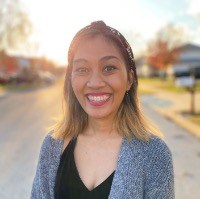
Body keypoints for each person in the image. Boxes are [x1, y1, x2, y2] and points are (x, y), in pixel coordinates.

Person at [31, 21, 174, 199]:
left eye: (109, 68)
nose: (95, 83)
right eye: (82, 69)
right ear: (70, 79)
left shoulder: (155, 155)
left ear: (129, 79)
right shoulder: (52, 145)